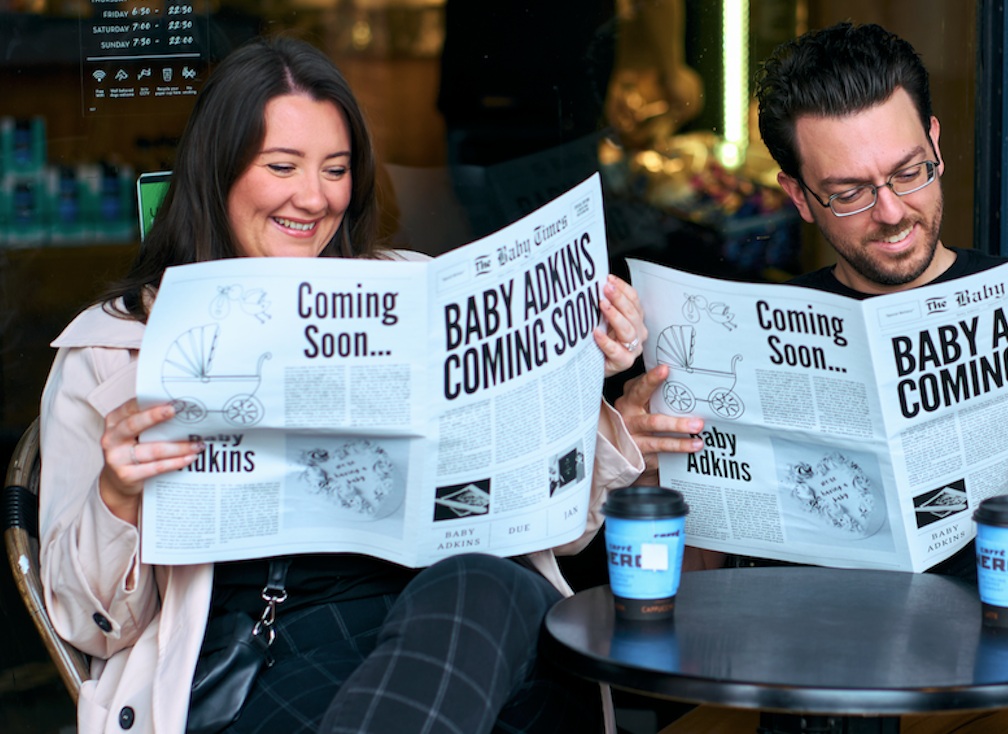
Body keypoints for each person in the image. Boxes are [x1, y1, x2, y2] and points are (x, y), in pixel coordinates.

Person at [39, 36, 649, 734]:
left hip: (470, 638)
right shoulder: (110, 350)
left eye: (336, 168)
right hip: (273, 664)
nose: (314, 197)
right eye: (281, 166)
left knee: (488, 583)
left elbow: (557, 532)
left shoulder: (414, 293)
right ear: (217, 173)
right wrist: (116, 495)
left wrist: (572, 375)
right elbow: (88, 626)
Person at [617, 22, 1008, 733]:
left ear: (934, 142)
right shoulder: (736, 332)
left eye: (907, 172)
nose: (892, 212)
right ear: (799, 195)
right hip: (793, 690)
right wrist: (642, 467)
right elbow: (687, 595)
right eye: (848, 192)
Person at [438, 0, 703, 235]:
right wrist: (673, 72)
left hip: (472, 102)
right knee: (559, 264)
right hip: (554, 111)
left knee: (487, 260)